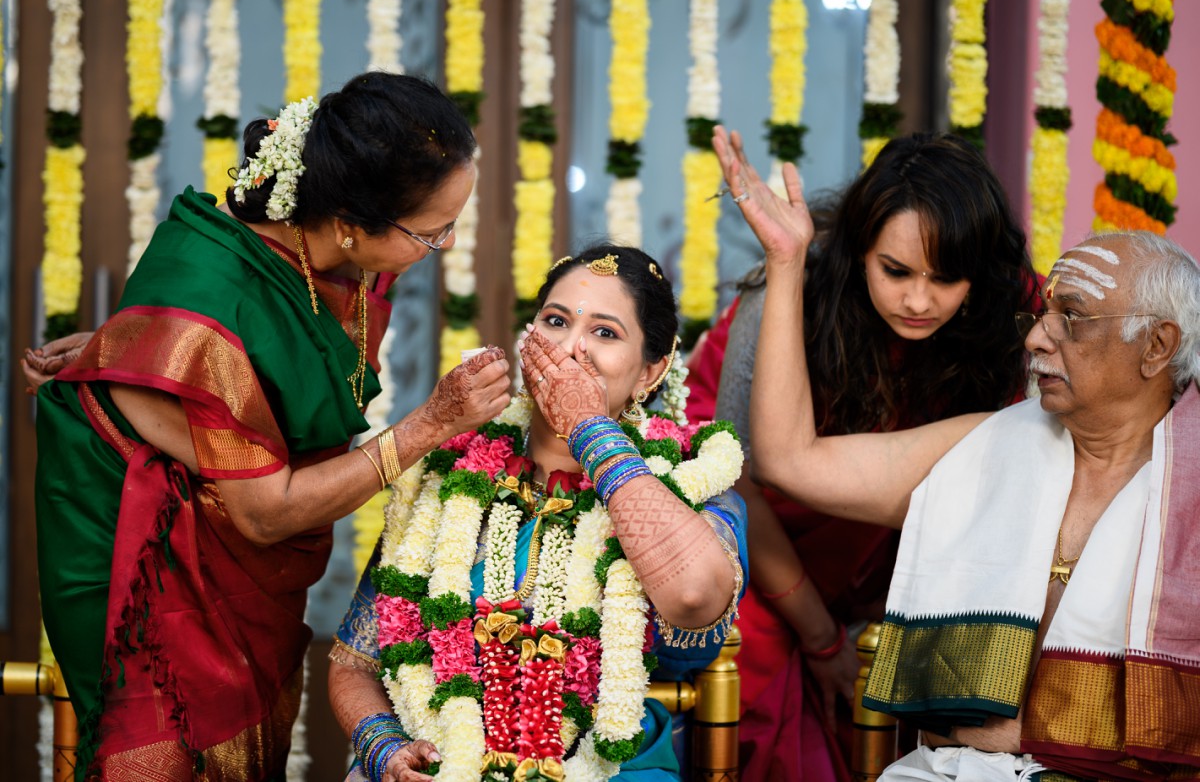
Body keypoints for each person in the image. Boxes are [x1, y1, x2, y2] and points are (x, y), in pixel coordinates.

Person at [31, 72, 512, 781]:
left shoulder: (353, 261)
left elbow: (281, 355)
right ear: (351, 220)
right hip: (164, 583)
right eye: (430, 233)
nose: (437, 247)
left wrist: (130, 346)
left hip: (254, 588)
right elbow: (265, 513)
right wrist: (430, 425)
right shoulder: (207, 312)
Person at [726, 126, 1200, 781]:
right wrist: (786, 260)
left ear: (1156, 348)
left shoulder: (1189, 487)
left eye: (1072, 318)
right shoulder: (990, 444)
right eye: (1045, 314)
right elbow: (783, 463)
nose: (1036, 336)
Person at [691, 128, 1039, 780]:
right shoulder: (792, 286)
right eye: (896, 271)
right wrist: (820, 637)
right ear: (858, 253)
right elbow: (734, 483)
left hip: (904, 574)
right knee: (752, 650)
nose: (918, 300)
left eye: (946, 278)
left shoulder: (1014, 315)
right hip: (760, 551)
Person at [328, 245, 749, 782]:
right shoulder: (450, 477)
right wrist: (383, 747)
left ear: (651, 371)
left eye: (605, 332)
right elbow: (352, 664)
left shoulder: (690, 483)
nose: (572, 348)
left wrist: (589, 430)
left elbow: (692, 594)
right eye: (556, 321)